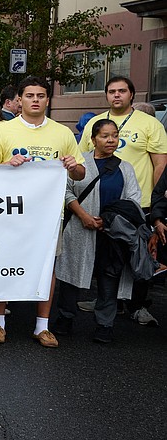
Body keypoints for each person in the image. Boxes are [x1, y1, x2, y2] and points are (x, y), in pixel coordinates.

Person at [0, 76, 85, 348]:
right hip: (10, 213)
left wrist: (73, 166)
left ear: (47, 99)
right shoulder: (3, 131)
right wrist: (6, 163)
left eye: (40, 95)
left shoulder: (62, 133)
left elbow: (80, 173)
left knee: (47, 268)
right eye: (29, 96)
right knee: (5, 263)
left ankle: (42, 326)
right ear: (19, 100)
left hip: (49, 215)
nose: (35, 100)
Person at [78, 76, 167, 326]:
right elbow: (82, 157)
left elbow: (160, 162)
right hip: (99, 200)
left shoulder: (149, 123)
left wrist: (157, 199)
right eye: (111, 91)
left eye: (122, 91)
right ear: (106, 95)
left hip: (137, 202)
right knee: (106, 255)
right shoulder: (95, 123)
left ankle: (138, 306)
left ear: (131, 94)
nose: (116, 95)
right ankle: (107, 301)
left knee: (139, 253)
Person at [55, 119, 142, 344]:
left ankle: (105, 324)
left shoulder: (125, 168)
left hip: (112, 233)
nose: (111, 140)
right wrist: (83, 215)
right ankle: (65, 317)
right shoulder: (80, 163)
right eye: (105, 136)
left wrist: (107, 220)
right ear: (93, 139)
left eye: (114, 135)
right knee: (71, 275)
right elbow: (64, 191)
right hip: (79, 228)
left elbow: (133, 200)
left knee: (109, 277)